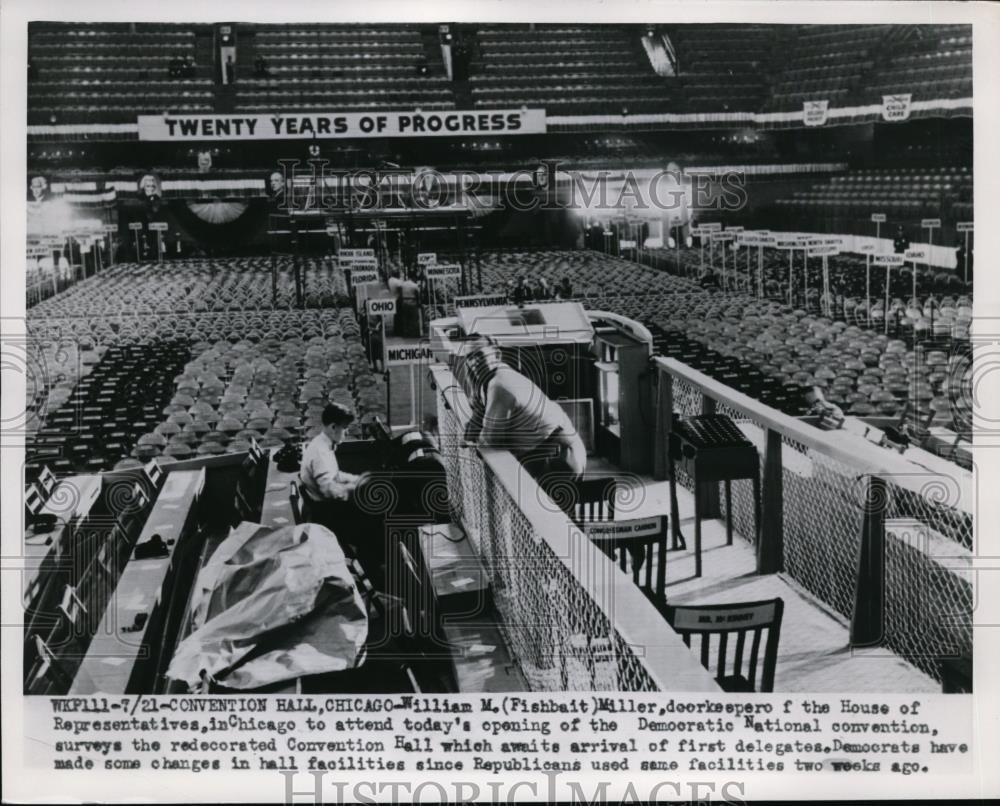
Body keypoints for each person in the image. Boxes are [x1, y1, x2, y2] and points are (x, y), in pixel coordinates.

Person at [461, 338, 587, 483]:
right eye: (469, 357)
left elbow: (490, 441)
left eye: (479, 355)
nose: (474, 362)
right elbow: (477, 425)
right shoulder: (492, 377)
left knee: (540, 504)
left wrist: (469, 443)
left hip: (559, 455)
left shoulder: (500, 385)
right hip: (554, 450)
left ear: (496, 354)